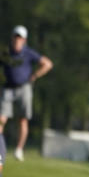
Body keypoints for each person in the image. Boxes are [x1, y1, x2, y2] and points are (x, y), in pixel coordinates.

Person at [1, 25, 53, 162]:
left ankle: (19, 149)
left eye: (20, 37)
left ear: (24, 39)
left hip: (24, 88)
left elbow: (47, 64)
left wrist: (35, 75)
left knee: (23, 120)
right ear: (12, 37)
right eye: (16, 36)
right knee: (1, 119)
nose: (18, 39)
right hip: (7, 88)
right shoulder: (6, 53)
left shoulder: (29, 53)